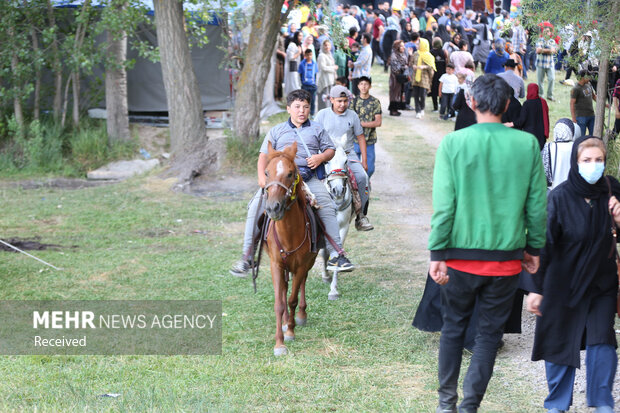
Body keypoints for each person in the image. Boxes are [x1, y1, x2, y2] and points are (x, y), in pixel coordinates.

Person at [429, 73, 547, 413]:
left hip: (459, 259)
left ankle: (446, 403)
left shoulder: (453, 143)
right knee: (487, 336)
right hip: (506, 261)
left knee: (453, 329)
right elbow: (537, 205)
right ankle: (470, 406)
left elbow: (444, 205)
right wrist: (534, 248)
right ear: (508, 104)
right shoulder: (526, 144)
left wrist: (437, 251)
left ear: (471, 102)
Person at [526, 136, 619, 413]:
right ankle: (557, 405)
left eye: (599, 160)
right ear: (575, 163)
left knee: (603, 340)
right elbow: (544, 245)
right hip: (562, 284)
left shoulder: (611, 191)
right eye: (587, 160)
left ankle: (602, 403)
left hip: (601, 283)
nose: (593, 166)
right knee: (559, 342)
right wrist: (536, 288)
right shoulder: (559, 197)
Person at [230, 89, 354, 277]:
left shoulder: (317, 129)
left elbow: (331, 149)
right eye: (297, 107)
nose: (301, 111)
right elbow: (263, 156)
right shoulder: (276, 130)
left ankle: (337, 254)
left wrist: (321, 157)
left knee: (327, 206)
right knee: (255, 206)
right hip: (278, 181)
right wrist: (262, 179)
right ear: (288, 109)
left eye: (305, 107)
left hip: (307, 178)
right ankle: (247, 257)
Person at [315, 85, 373, 231]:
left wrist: (364, 160)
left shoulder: (352, 115)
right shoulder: (322, 115)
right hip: (326, 155)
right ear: (331, 100)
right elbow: (313, 134)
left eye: (345, 101)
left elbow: (360, 137)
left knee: (362, 178)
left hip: (347, 155)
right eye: (339, 101)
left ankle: (361, 216)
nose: (342, 104)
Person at [351, 76, 382, 179]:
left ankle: (364, 185)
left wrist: (361, 124)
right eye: (361, 84)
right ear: (358, 86)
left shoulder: (375, 102)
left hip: (369, 140)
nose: (363, 87)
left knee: (370, 168)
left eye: (366, 84)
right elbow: (350, 121)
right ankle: (357, 190)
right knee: (353, 168)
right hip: (355, 140)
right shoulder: (354, 102)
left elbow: (378, 122)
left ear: (370, 86)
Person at [541, 118, 580, 190]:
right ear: (571, 131)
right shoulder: (577, 147)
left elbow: (544, 170)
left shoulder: (548, 146)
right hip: (573, 188)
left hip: (553, 189)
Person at [514, 83, 549, 150]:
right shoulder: (543, 102)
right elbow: (546, 118)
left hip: (529, 135)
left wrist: (512, 123)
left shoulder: (527, 104)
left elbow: (522, 120)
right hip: (541, 135)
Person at [410, 38, 436, 119]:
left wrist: (424, 66)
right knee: (416, 95)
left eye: (418, 44)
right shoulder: (415, 54)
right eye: (417, 44)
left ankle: (422, 108)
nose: (417, 45)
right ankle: (417, 110)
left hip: (424, 78)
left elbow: (431, 67)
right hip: (415, 77)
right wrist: (413, 66)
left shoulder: (428, 56)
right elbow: (411, 62)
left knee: (423, 95)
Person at [571, 70, 598, 137]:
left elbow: (593, 96)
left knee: (593, 135)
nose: (590, 78)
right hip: (581, 117)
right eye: (588, 77)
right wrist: (574, 118)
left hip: (591, 115)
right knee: (581, 137)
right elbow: (572, 104)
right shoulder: (576, 89)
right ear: (583, 77)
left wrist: (603, 104)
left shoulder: (589, 85)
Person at [536, 26, 557, 101]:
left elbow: (554, 51)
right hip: (540, 64)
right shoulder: (539, 40)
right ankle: (541, 95)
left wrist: (543, 50)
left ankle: (549, 95)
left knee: (552, 79)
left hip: (550, 64)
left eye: (548, 31)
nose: (546, 33)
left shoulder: (552, 41)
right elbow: (538, 51)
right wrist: (549, 50)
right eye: (545, 32)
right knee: (540, 81)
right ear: (542, 33)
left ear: (550, 33)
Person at [317, 39, 339, 112]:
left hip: (330, 80)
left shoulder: (329, 54)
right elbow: (323, 67)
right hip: (325, 80)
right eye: (325, 45)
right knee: (325, 97)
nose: (327, 47)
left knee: (330, 97)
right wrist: (333, 68)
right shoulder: (321, 55)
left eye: (328, 45)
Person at [388, 40, 408, 116]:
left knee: (399, 93)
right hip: (395, 78)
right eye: (401, 46)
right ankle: (393, 110)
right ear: (397, 47)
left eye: (403, 46)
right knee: (394, 93)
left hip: (400, 78)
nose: (403, 47)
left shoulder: (402, 54)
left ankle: (396, 109)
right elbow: (395, 68)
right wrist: (404, 67)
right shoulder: (394, 55)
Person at [299, 49, 318, 115]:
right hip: (305, 85)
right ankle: (304, 112)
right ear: (305, 56)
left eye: (310, 55)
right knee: (304, 100)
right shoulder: (302, 64)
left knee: (312, 100)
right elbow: (300, 74)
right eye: (307, 55)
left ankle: (312, 113)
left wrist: (316, 84)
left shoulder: (314, 64)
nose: (309, 56)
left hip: (312, 85)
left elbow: (316, 74)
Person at [284, 31, 303, 96]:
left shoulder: (298, 45)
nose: (301, 37)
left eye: (302, 36)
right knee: (293, 83)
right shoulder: (292, 45)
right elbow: (291, 57)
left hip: (296, 66)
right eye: (299, 36)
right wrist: (298, 53)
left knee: (296, 82)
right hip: (292, 67)